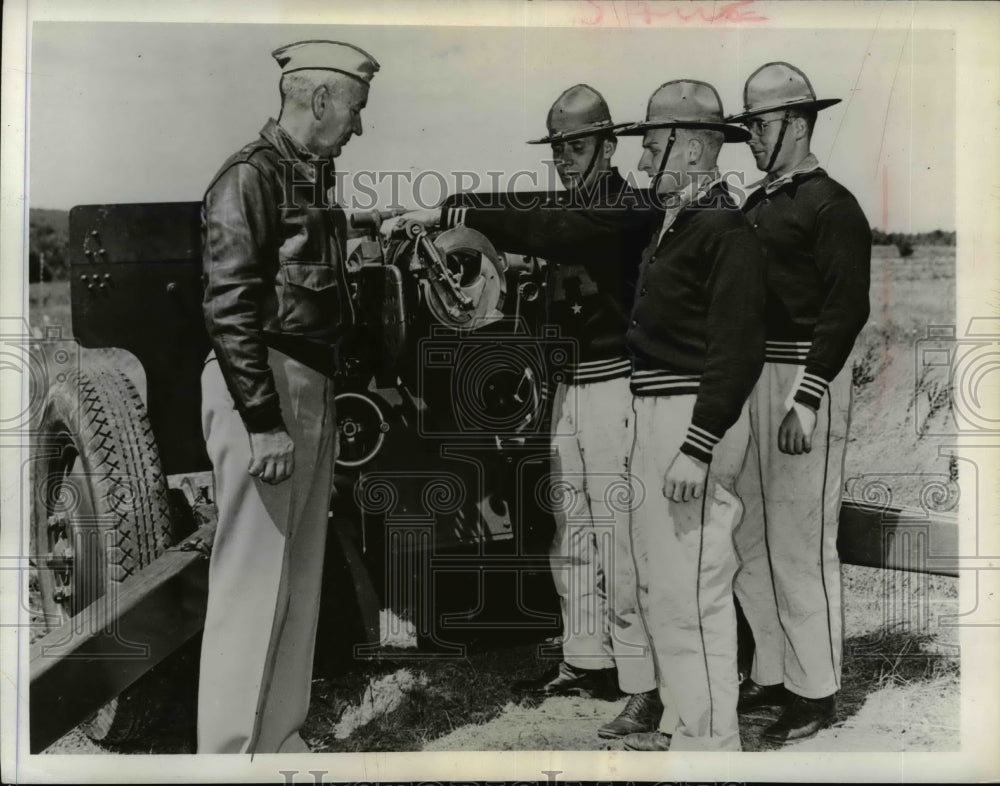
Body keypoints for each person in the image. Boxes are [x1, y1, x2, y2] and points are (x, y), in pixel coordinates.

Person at [400, 84, 665, 739]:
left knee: (618, 539)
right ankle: (586, 660)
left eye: (577, 146)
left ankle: (645, 685)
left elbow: (553, 227)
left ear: (609, 144)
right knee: (568, 528)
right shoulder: (571, 203)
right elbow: (538, 217)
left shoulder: (626, 207)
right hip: (571, 390)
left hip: (617, 388)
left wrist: (464, 207)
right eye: (558, 149)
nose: (566, 159)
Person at [198, 40, 378, 754]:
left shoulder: (309, 179)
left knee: (296, 580)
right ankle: (229, 756)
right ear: (322, 98)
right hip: (265, 390)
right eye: (356, 109)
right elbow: (230, 307)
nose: (360, 127)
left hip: (309, 387)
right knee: (251, 585)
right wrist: (264, 422)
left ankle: (278, 740)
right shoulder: (250, 177)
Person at [612, 80, 766, 752]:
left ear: (695, 148)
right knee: (660, 583)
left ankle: (711, 746)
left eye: (651, 149)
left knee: (692, 585)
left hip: (689, 419)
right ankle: (684, 721)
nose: (643, 166)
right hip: (658, 414)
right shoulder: (678, 224)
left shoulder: (725, 230)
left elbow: (737, 350)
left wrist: (697, 445)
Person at [728, 62, 871, 744]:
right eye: (749, 125)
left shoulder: (831, 204)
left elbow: (845, 310)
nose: (750, 137)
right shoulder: (756, 204)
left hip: (801, 381)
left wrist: (808, 399)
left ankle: (815, 692)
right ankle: (773, 670)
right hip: (753, 379)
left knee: (799, 544)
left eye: (758, 124)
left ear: (796, 123)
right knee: (747, 535)